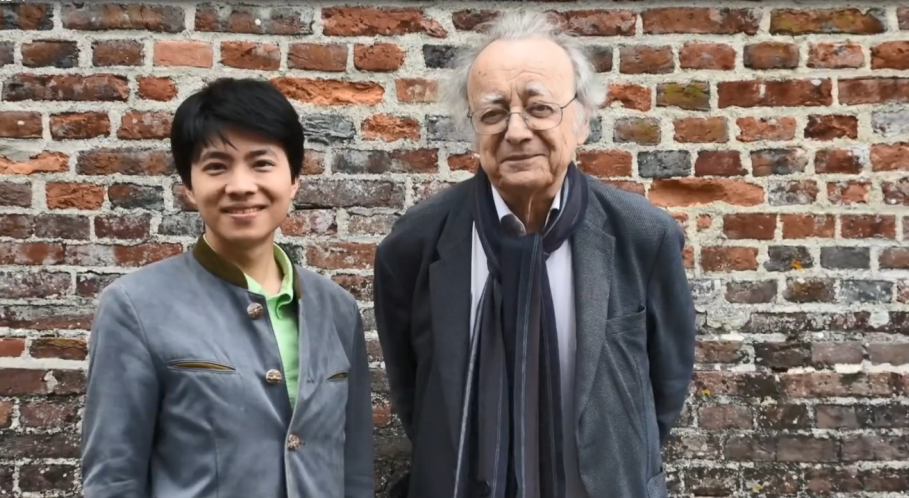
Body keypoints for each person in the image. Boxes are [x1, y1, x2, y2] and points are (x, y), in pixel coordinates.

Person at [373, 11, 696, 498]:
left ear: (581, 119)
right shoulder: (416, 243)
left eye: (539, 108)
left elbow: (665, 385)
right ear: (473, 129)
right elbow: (413, 391)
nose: (517, 131)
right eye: (493, 113)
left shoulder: (643, 236)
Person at [81, 77, 375, 498]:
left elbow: (355, 472)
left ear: (294, 178)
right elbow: (114, 481)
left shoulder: (337, 309)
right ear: (189, 186)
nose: (240, 186)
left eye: (261, 163)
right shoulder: (135, 307)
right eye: (217, 166)